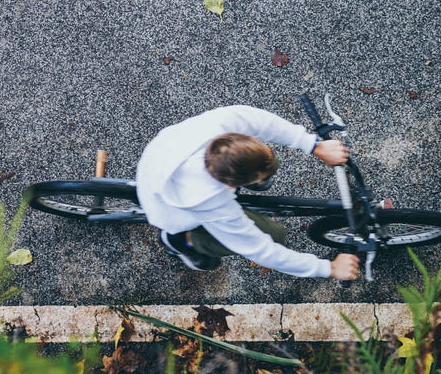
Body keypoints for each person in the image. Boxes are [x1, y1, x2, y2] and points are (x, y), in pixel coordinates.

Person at [135, 105, 360, 280]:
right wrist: (328, 268)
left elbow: (261, 121)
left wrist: (314, 145)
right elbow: (261, 250)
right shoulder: (212, 204)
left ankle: (255, 174)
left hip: (160, 155)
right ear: (229, 187)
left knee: (269, 160)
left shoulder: (221, 127)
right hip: (172, 211)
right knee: (274, 235)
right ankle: (183, 242)